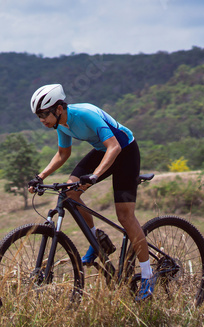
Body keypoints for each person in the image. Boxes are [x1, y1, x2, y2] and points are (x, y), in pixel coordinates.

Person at [26, 83, 155, 301]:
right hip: (102, 151)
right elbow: (62, 154)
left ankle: (147, 276)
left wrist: (95, 175)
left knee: (125, 216)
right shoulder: (61, 124)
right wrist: (40, 177)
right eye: (38, 116)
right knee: (69, 193)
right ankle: (98, 240)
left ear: (59, 108)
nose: (42, 120)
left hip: (124, 151)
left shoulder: (85, 114)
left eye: (44, 114)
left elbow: (114, 147)